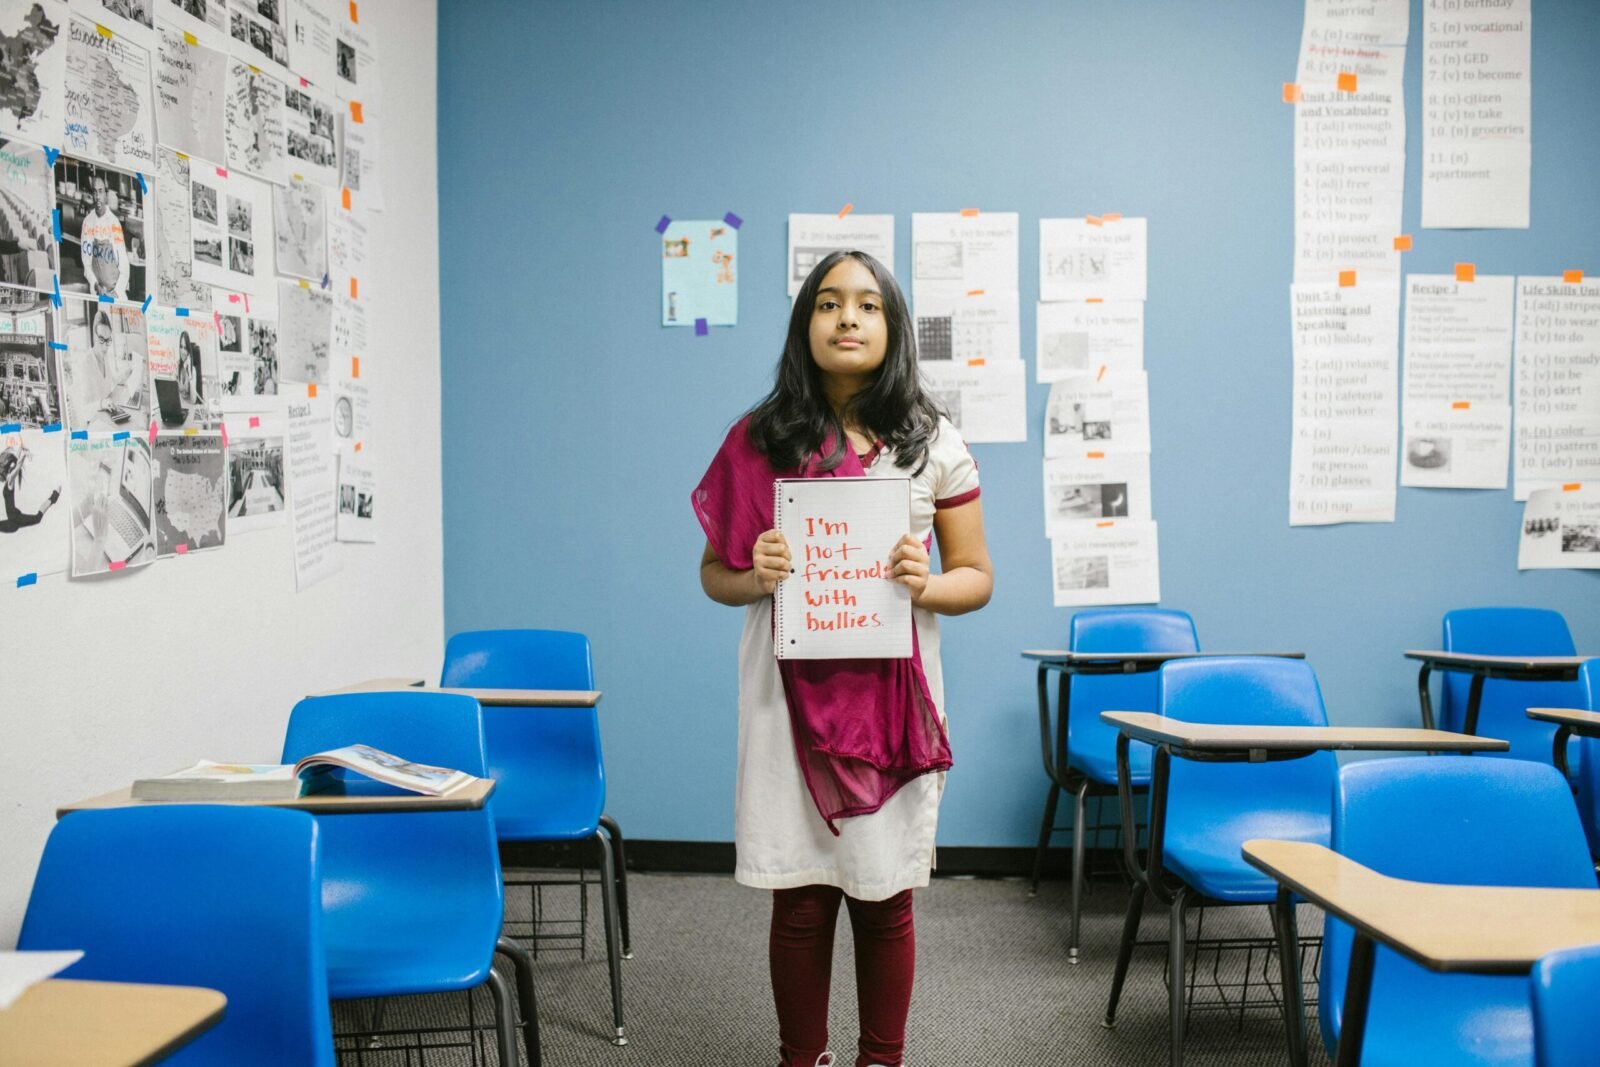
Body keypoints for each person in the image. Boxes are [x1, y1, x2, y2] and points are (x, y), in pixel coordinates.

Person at [692, 250, 993, 1067]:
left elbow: (977, 578)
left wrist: (926, 584)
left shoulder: (932, 443)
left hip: (891, 703)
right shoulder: (759, 439)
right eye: (829, 303)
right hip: (784, 699)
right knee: (799, 894)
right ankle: (802, 1057)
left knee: (883, 892)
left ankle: (881, 1058)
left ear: (891, 329)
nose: (848, 318)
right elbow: (714, 576)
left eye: (867, 305)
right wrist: (753, 574)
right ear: (805, 325)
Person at [78, 172, 129, 301]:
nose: (97, 197)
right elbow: (87, 264)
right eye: (94, 192)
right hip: (97, 294)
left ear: (105, 195)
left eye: (100, 192)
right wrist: (95, 285)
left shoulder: (114, 223)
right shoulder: (87, 223)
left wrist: (115, 293)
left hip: (116, 295)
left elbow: (124, 266)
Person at [0, 444, 59, 534]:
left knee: (37, 518)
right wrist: (21, 448)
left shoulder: (10, 480)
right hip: (12, 520)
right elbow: (15, 462)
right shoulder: (9, 479)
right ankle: (54, 496)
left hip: (15, 519)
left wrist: (24, 455)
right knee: (37, 519)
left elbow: (18, 466)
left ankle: (54, 496)